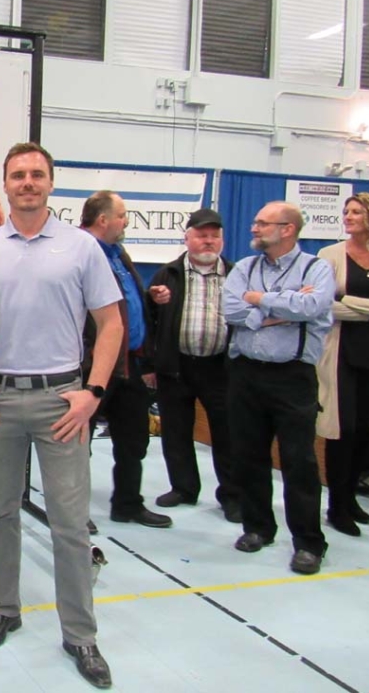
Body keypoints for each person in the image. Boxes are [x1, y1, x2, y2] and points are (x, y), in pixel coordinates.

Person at [0, 142, 121, 689]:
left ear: (51, 182)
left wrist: (93, 392)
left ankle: (80, 635)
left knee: (69, 524)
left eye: (36, 174)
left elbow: (111, 324)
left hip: (63, 402)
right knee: (1, 512)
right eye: (18, 175)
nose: (27, 182)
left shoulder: (81, 248)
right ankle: (3, 609)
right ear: (4, 184)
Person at [223, 201, 334, 574]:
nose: (254, 228)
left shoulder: (316, 268)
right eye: (255, 222)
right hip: (245, 374)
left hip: (292, 377)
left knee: (298, 461)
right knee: (249, 455)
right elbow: (232, 311)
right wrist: (280, 311)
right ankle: (257, 528)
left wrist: (260, 300)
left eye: (262, 223)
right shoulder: (244, 267)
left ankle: (309, 543)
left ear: (288, 229)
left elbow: (312, 306)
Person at [80, 191, 172, 529]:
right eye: (122, 215)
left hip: (129, 363)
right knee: (80, 442)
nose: (126, 221)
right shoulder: (80, 252)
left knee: (133, 439)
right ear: (103, 219)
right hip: (92, 365)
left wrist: (149, 298)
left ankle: (128, 504)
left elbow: (122, 302)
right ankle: (74, 513)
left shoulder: (119, 253)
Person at [147, 209, 241, 523]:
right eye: (202, 235)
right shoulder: (167, 274)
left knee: (228, 434)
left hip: (221, 368)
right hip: (176, 366)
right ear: (187, 238)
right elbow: (150, 320)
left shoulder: (236, 274)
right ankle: (183, 488)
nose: (208, 241)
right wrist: (151, 364)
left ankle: (232, 496)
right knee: (176, 431)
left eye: (215, 235)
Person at [316, 193, 369, 536]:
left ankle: (351, 496)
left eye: (356, 212)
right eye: (346, 212)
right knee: (343, 430)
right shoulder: (330, 255)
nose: (349, 217)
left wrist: (348, 302)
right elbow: (324, 306)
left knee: (365, 430)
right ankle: (336, 505)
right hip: (341, 355)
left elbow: (341, 303)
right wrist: (366, 308)